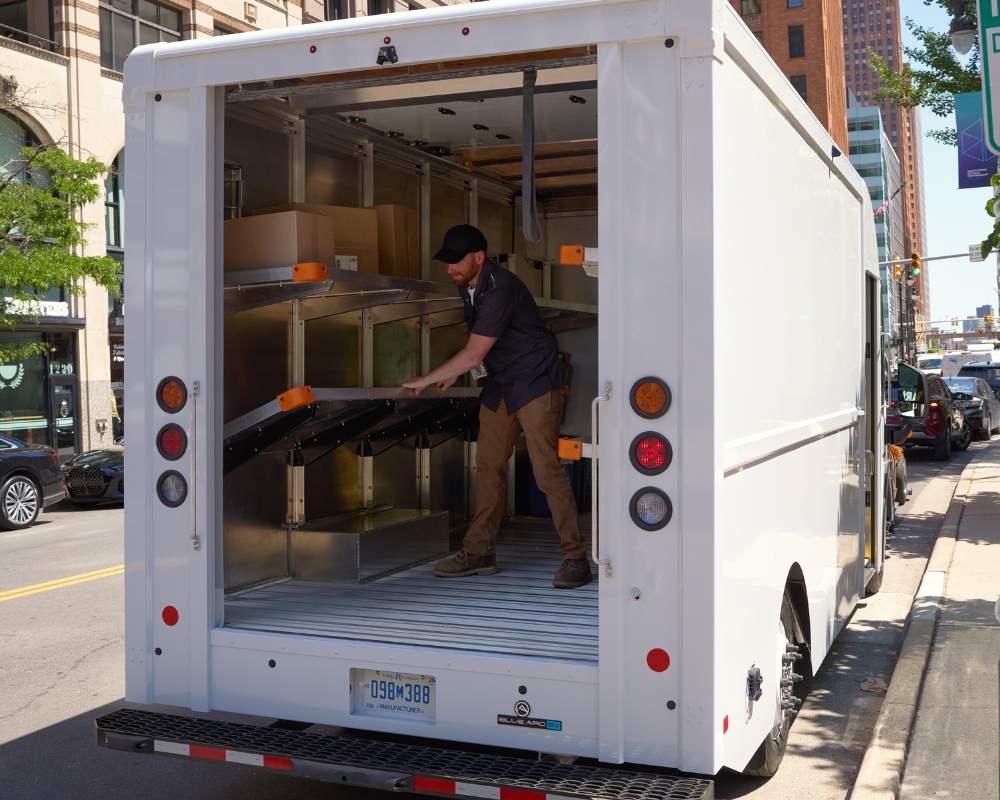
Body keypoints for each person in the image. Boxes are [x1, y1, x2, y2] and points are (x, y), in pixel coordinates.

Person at [402, 225, 592, 589]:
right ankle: (479, 552)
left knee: (546, 471)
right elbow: (481, 349)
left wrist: (428, 377)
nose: (449, 269)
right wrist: (453, 374)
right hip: (501, 383)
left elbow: (474, 351)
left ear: (478, 257)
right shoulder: (469, 287)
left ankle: (575, 557)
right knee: (488, 464)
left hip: (535, 380)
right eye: (446, 263)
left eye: (455, 262)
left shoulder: (500, 285)